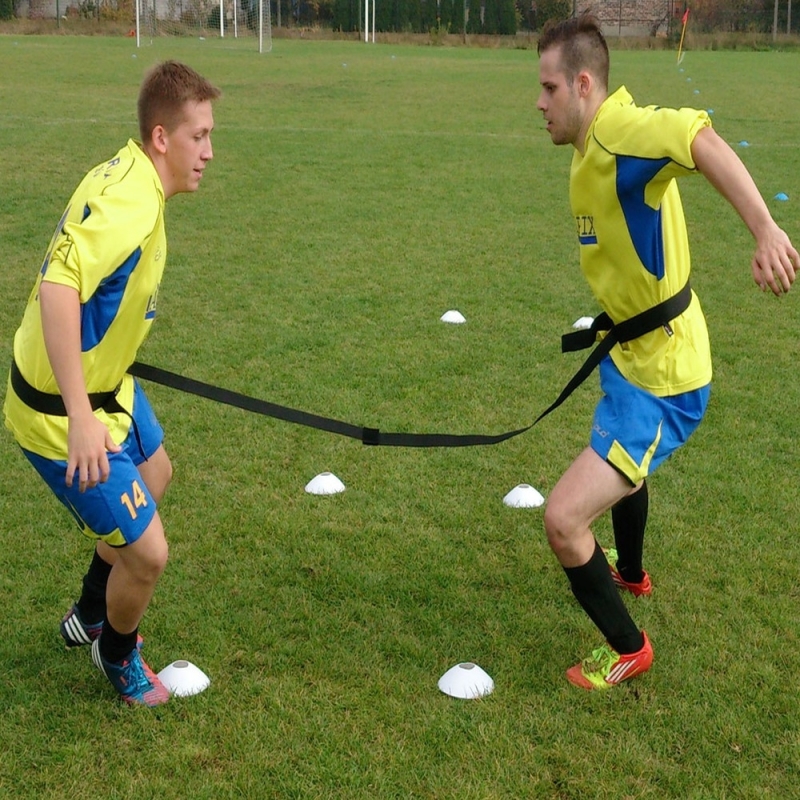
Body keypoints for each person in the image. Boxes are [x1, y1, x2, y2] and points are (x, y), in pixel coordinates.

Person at [535, 14, 798, 690]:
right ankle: (631, 574)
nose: (538, 104)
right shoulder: (592, 144)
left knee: (564, 521)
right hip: (634, 357)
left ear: (583, 84)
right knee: (627, 471)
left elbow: (698, 139)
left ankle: (628, 648)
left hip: (665, 378)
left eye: (547, 89)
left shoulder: (623, 132)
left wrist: (765, 228)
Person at [4, 61, 220, 707]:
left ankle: (91, 611)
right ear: (161, 137)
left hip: (107, 386)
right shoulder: (130, 203)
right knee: (149, 554)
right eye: (199, 136)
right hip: (58, 409)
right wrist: (77, 419)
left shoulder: (132, 179)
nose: (210, 152)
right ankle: (117, 654)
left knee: (156, 474)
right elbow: (57, 287)